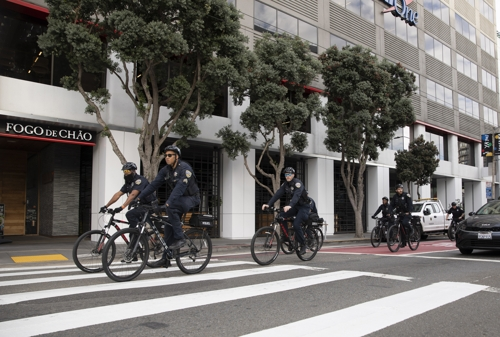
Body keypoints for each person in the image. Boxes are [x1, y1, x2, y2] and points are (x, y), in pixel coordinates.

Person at [137, 145, 200, 266]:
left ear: (177, 157)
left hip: (191, 198)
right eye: (165, 155)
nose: (167, 157)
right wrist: (138, 197)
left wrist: (168, 203)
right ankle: (166, 259)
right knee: (167, 228)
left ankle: (180, 238)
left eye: (170, 155)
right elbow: (153, 185)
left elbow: (179, 189)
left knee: (171, 207)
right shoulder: (166, 170)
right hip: (178, 199)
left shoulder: (185, 169)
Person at [262, 167, 311, 255]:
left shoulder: (298, 183)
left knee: (296, 224)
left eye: (289, 174)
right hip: (294, 207)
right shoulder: (285, 185)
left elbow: (296, 196)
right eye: (286, 174)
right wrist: (268, 204)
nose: (287, 176)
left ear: (293, 175)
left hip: (303, 207)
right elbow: (277, 195)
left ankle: (303, 244)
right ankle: (286, 236)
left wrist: (289, 205)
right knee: (281, 216)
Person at [99, 162, 156, 229]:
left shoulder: (140, 180)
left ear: (133, 171)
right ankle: (138, 234)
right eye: (124, 171)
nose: (125, 173)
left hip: (149, 206)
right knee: (132, 231)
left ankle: (140, 232)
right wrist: (106, 206)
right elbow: (118, 194)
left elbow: (133, 195)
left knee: (130, 214)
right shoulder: (128, 183)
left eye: (127, 171)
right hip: (140, 206)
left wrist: (122, 207)